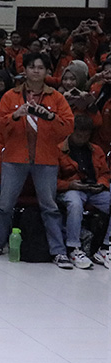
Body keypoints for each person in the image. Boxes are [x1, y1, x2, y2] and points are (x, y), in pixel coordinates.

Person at [0, 52, 75, 267]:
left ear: (47, 72)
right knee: (5, 204)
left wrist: (50, 116)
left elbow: (68, 127)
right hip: (15, 157)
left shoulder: (56, 97)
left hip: (46, 159)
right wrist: (16, 115)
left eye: (41, 67)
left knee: (49, 206)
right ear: (24, 70)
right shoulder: (11, 96)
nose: (36, 71)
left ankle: (58, 251)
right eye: (32, 67)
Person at [57, 114, 108, 269]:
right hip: (71, 188)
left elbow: (105, 173)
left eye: (86, 136)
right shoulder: (59, 150)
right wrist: (70, 185)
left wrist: (101, 184)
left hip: (93, 189)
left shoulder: (96, 150)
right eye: (79, 135)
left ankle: (106, 245)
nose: (83, 139)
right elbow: (51, 181)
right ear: (71, 132)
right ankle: (73, 247)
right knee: (75, 204)